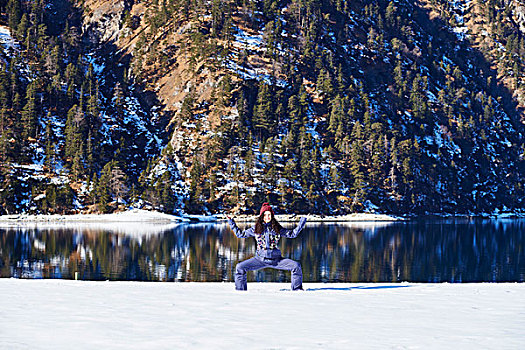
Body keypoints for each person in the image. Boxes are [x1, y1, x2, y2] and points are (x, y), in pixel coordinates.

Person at [226, 202, 307, 291]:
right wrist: (231, 222)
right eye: (265, 215)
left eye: (269, 215)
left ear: (272, 216)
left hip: (276, 260)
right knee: (240, 267)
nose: (267, 217)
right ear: (261, 216)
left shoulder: (277, 228)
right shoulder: (256, 228)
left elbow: (292, 234)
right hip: (259, 259)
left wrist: (302, 222)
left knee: (296, 266)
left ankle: (297, 289)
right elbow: (240, 234)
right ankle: (240, 291)